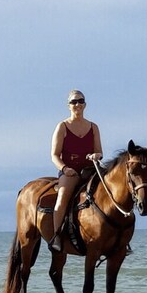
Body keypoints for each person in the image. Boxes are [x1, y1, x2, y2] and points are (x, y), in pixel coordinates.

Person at [49, 89, 103, 252]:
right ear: (68, 106)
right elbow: (54, 155)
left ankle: (119, 238)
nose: (77, 104)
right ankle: (57, 237)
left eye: (80, 101)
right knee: (61, 200)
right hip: (69, 171)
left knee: (113, 191)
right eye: (74, 102)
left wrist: (96, 155)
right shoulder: (62, 126)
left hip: (90, 170)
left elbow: (99, 151)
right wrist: (65, 169)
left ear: (85, 104)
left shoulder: (93, 127)